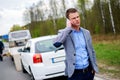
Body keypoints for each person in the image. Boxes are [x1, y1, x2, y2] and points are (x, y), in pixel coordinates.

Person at [53, 8, 98, 80]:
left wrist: (94, 67)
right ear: (68, 21)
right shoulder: (64, 33)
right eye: (73, 18)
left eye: (78, 17)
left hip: (88, 72)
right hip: (74, 74)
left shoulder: (86, 32)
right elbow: (56, 44)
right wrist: (67, 28)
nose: (77, 19)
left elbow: (91, 50)